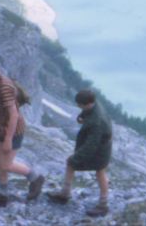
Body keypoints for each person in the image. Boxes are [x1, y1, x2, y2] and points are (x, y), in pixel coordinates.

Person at [0, 56, 44, 206]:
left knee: (5, 164)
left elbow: (14, 115)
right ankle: (2, 194)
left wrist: (8, 139)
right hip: (0, 127)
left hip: (12, 130)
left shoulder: (4, 86)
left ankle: (35, 177)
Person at [47, 89, 113, 217]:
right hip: (103, 145)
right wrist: (82, 115)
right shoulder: (94, 103)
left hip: (99, 150)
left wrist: (76, 157)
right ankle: (65, 194)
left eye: (80, 105)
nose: (78, 107)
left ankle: (103, 205)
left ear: (88, 103)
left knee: (97, 171)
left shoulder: (97, 122)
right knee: (98, 171)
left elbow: (91, 146)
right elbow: (86, 112)